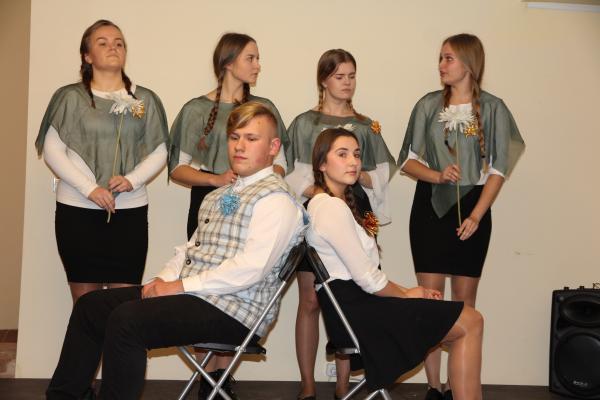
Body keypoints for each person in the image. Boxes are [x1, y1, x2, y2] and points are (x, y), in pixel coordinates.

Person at [45, 102, 307, 400]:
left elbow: (251, 269)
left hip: (235, 311)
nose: (239, 146)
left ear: (273, 147)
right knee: (91, 307)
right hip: (197, 296)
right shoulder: (218, 195)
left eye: (251, 138)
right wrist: (162, 281)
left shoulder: (277, 201)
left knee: (127, 320)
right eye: (234, 137)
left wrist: (179, 286)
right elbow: (190, 249)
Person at [307, 128, 484, 400]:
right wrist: (408, 293)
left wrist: (413, 292)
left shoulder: (333, 204)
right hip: (358, 313)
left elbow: (367, 277)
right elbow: (367, 278)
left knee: (469, 320)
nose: (353, 162)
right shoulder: (330, 207)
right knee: (471, 321)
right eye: (342, 154)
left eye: (356, 154)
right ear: (321, 163)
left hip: (359, 306)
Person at [397, 33, 525, 400]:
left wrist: (477, 215)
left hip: (474, 207)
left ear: (469, 63)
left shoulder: (494, 108)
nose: (441, 65)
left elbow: (498, 169)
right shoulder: (427, 105)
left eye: (448, 58)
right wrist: (438, 175)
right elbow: (407, 160)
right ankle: (433, 387)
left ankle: (458, 386)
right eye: (440, 57)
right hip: (430, 208)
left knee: (464, 305)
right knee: (430, 302)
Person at [286, 49, 396, 400]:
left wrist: (354, 173)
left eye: (351, 76)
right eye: (339, 76)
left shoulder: (366, 125)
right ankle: (307, 384)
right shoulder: (304, 123)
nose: (347, 83)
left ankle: (343, 385)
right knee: (310, 300)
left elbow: (383, 172)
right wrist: (320, 191)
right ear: (324, 80)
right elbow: (290, 171)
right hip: (315, 209)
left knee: (352, 291)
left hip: (355, 206)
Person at [35, 19, 169, 303]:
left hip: (129, 212)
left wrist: (131, 180)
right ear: (87, 56)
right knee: (86, 306)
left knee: (125, 307)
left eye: (119, 43)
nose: (113, 47)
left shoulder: (145, 99)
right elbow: (53, 150)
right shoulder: (69, 98)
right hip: (77, 211)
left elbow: (160, 150)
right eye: (103, 43)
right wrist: (90, 189)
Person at [169, 32, 289, 240]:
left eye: (258, 59)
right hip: (207, 197)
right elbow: (177, 168)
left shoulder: (264, 108)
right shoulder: (196, 110)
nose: (257, 66)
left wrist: (257, 184)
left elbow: (280, 162)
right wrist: (215, 180)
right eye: (250, 58)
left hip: (256, 199)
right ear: (229, 63)